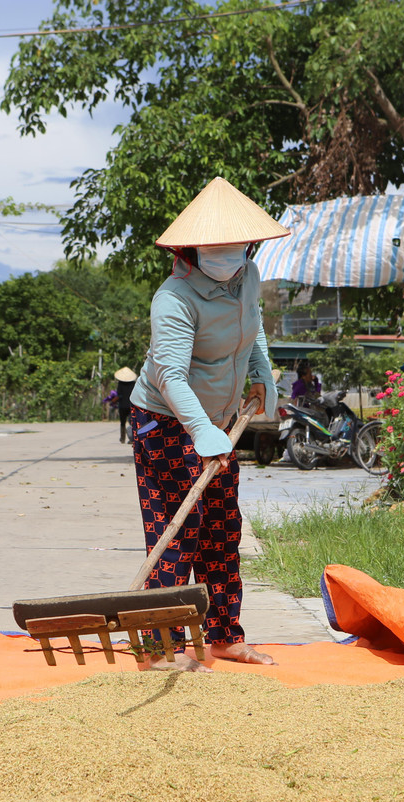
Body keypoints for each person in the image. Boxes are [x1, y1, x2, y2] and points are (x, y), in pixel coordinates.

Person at [128, 176, 287, 671]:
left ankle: (224, 635)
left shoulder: (249, 275)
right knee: (177, 534)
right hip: (167, 424)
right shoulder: (174, 298)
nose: (227, 257)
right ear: (191, 251)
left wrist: (260, 375)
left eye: (235, 249)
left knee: (222, 528)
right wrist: (200, 431)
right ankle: (161, 646)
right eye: (215, 251)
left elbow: (253, 329)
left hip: (221, 422)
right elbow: (169, 375)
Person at [113, 366, 137, 443]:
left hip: (122, 405)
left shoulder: (120, 384)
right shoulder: (133, 384)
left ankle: (122, 438)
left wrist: (113, 401)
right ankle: (132, 438)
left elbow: (119, 395)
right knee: (132, 422)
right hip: (131, 405)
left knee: (122, 423)